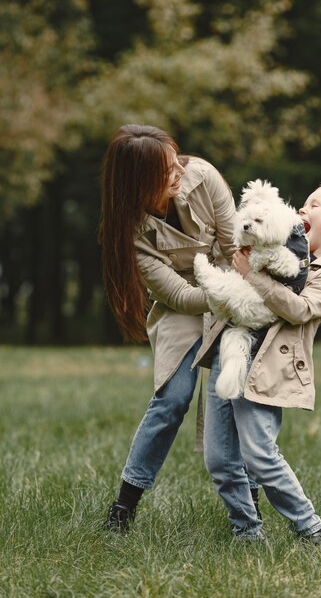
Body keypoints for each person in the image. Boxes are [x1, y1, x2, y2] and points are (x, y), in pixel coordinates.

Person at [193, 180, 321, 542]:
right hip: (232, 355)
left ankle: (310, 526)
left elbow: (299, 309)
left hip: (267, 371)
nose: (303, 210)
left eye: (315, 205)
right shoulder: (280, 244)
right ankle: (246, 531)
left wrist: (252, 276)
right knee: (219, 459)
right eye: (302, 204)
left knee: (259, 456)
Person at [99, 123, 244, 532]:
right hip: (185, 308)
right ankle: (124, 507)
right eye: (167, 170)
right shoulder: (130, 231)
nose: (179, 171)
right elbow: (179, 296)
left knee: (234, 396)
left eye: (176, 160)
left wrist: (241, 299)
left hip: (234, 296)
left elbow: (237, 250)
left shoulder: (204, 177)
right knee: (173, 399)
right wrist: (226, 294)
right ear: (139, 182)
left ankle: (248, 507)